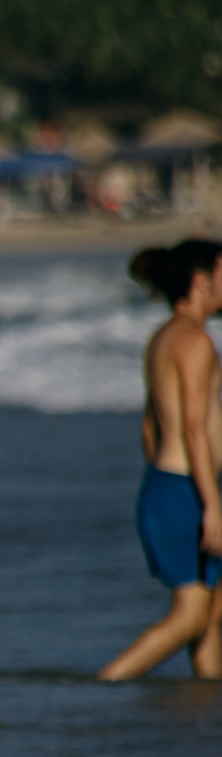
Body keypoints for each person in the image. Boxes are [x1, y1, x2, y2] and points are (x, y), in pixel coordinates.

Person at [99, 239, 222, 681]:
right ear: (202, 281)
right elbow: (193, 428)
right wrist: (210, 506)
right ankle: (101, 687)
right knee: (191, 617)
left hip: (170, 486)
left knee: (209, 618)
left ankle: (206, 699)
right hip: (187, 490)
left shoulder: (163, 338)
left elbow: (149, 429)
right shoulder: (195, 342)